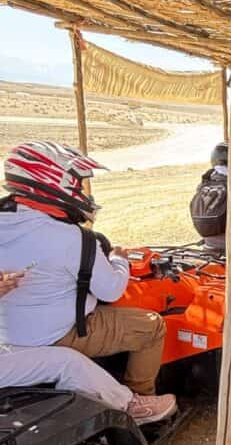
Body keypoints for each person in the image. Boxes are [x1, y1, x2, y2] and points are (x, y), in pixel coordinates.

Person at [0, 143, 176, 421]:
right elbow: (112, 289)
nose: (81, 192)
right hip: (56, 335)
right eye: (77, 185)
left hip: (7, 334)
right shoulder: (75, 239)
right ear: (53, 182)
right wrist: (119, 261)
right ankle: (139, 400)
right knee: (152, 326)